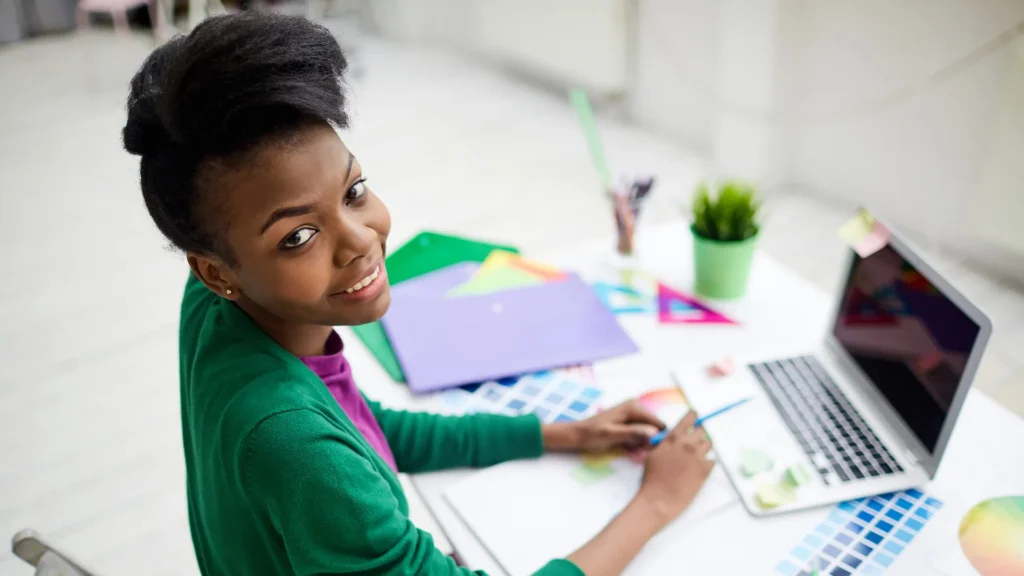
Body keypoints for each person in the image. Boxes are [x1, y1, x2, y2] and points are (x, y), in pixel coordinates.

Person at [122, 12, 714, 576]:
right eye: (298, 236)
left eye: (354, 191)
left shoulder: (221, 307)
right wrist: (656, 503)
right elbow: (320, 447)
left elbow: (354, 424)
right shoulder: (296, 446)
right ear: (217, 271)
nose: (361, 241)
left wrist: (561, 434)